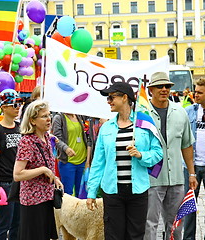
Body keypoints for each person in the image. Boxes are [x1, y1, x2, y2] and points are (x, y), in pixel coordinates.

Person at [86, 82, 163, 240]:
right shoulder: (106, 128)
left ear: (125, 98)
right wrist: (91, 191)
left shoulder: (145, 123)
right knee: (113, 236)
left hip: (138, 191)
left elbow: (158, 152)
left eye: (112, 97)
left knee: (135, 236)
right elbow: (98, 163)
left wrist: (141, 155)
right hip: (112, 192)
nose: (109, 101)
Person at [144, 72, 198, 240]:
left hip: (176, 178)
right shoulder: (142, 115)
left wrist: (191, 173)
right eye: (160, 86)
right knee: (149, 224)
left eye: (167, 86)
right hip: (151, 179)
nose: (164, 89)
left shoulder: (180, 113)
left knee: (176, 223)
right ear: (150, 89)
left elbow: (187, 145)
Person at [13, 100, 63, 240]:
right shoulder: (27, 141)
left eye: (49, 115)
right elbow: (17, 174)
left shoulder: (47, 137)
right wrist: (42, 170)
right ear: (32, 121)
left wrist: (55, 178)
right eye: (44, 116)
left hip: (47, 197)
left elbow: (48, 164)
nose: (49, 119)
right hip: (32, 201)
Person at [0, 89, 22, 240]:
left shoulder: (20, 127)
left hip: (19, 181)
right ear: (4, 107)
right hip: (4, 183)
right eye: (14, 104)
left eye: (19, 104)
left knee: (18, 222)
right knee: (4, 222)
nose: (18, 107)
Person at [183, 77, 205, 240]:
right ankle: (188, 238)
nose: (195, 95)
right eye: (195, 91)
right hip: (191, 166)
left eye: (199, 92)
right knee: (189, 205)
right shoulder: (189, 111)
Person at [52, 112, 91, 197]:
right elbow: (56, 138)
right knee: (67, 194)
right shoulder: (59, 118)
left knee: (81, 193)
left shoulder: (79, 115)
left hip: (82, 161)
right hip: (68, 162)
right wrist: (66, 148)